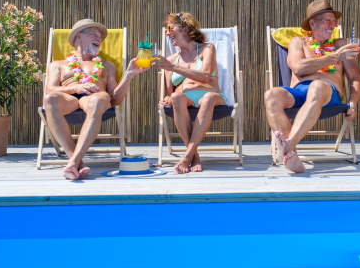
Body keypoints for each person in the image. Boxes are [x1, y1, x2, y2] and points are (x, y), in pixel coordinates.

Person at [264, 0, 360, 173]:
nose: (332, 25)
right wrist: (334, 58)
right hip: (299, 91)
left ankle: (287, 146)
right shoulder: (299, 42)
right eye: (327, 20)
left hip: (327, 93)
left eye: (335, 21)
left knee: (317, 86)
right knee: (271, 94)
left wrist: (353, 103)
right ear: (312, 23)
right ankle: (292, 157)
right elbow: (299, 68)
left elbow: (356, 77)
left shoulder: (339, 45)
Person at [43, 19, 150, 180]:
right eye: (94, 34)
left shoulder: (107, 66)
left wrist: (128, 75)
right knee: (50, 98)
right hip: (68, 100)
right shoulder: (58, 65)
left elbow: (114, 100)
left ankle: (73, 162)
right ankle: (77, 162)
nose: (99, 39)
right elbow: (49, 89)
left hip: (94, 99)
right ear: (79, 37)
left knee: (99, 100)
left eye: (100, 37)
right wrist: (74, 88)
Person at [152, 12, 227, 174]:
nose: (167, 32)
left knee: (207, 98)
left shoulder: (207, 48)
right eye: (166, 29)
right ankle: (194, 155)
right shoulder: (171, 60)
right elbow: (168, 93)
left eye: (171, 28)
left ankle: (187, 156)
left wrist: (173, 68)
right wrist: (164, 100)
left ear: (186, 29)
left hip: (211, 95)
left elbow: (206, 76)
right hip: (184, 99)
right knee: (176, 97)